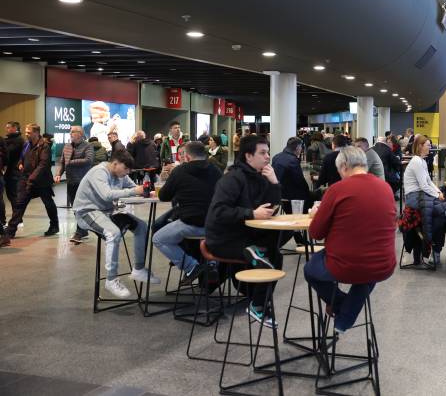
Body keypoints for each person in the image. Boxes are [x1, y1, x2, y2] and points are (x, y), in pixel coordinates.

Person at [304, 146, 396, 333]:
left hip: (346, 264)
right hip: (384, 264)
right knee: (368, 273)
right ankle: (345, 316)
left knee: (310, 270)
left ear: (344, 166)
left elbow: (316, 234)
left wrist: (316, 215)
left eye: (339, 171)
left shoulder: (337, 189)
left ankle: (342, 308)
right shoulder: (385, 188)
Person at [205, 134, 289, 327]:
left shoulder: (262, 176)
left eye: (268, 152)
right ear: (248, 156)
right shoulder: (232, 178)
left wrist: (275, 183)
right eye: (262, 153)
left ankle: (257, 304)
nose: (268, 156)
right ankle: (258, 305)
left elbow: (271, 206)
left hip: (246, 235)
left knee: (276, 256)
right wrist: (251, 213)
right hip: (223, 240)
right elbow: (219, 211)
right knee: (265, 259)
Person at [73, 150, 160, 297]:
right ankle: (111, 279)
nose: (127, 173)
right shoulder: (99, 172)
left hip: (107, 212)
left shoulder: (121, 175)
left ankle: (138, 269)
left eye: (129, 170)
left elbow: (134, 190)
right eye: (125, 169)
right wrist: (134, 191)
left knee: (142, 226)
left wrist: (146, 193)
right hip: (87, 212)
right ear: (115, 164)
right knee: (113, 233)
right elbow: (107, 195)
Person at [153, 141, 222, 283]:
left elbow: (163, 196)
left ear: (188, 157)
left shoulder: (180, 171)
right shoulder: (216, 170)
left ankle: (191, 266)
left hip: (190, 223)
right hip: (214, 225)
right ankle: (211, 264)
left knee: (158, 238)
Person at [404, 135, 446, 264]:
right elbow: (423, 185)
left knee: (441, 211)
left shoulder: (422, 161)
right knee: (440, 212)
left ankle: (434, 247)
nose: (430, 147)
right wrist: (437, 195)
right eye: (428, 145)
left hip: (421, 195)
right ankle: (432, 246)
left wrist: (438, 192)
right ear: (420, 146)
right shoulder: (416, 161)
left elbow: (429, 182)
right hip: (414, 197)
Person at [5, 124, 59, 238]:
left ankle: (54, 225)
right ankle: (10, 231)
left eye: (29, 132)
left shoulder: (44, 146)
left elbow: (43, 165)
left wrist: (32, 178)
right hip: (25, 179)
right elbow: (22, 157)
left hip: (41, 181)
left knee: (48, 203)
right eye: (26, 132)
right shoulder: (26, 144)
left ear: (36, 133)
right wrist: (20, 163)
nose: (26, 134)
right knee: (20, 203)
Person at [271, 137, 311, 212]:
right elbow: (300, 181)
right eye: (301, 147)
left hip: (279, 194)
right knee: (312, 198)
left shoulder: (276, 157)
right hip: (291, 197)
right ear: (297, 148)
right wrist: (308, 192)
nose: (301, 149)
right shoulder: (293, 160)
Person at [2, 122, 24, 225]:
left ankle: (18, 219)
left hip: (14, 172)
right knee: (11, 196)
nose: (6, 129)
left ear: (15, 128)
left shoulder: (18, 140)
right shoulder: (8, 140)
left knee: (14, 196)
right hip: (9, 172)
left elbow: (9, 152)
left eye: (8, 127)